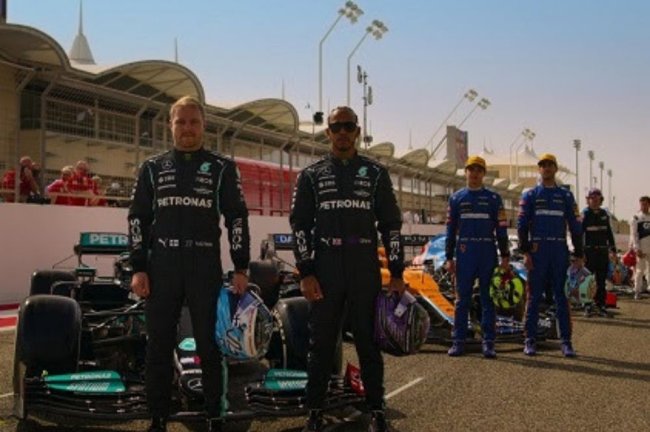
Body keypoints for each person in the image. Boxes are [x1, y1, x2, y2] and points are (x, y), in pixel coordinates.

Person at [128, 95, 250, 432]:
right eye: (180, 122)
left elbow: (236, 218)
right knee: (158, 346)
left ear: (203, 126)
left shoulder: (222, 168)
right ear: (171, 125)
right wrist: (139, 267)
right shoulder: (152, 168)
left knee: (210, 346)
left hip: (203, 266)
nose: (187, 129)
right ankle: (158, 417)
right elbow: (138, 219)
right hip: (161, 266)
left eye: (193, 122)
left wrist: (241, 267)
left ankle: (214, 414)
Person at [290, 106, 404, 432]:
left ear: (357, 130)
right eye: (336, 126)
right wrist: (306, 272)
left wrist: (396, 273)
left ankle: (377, 410)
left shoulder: (376, 173)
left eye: (348, 126)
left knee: (369, 343)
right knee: (321, 343)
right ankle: (314, 410)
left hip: (363, 266)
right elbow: (300, 226)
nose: (342, 132)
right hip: (326, 268)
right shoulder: (311, 175)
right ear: (327, 132)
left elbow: (391, 225)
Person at [517, 153, 583, 357]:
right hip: (538, 253)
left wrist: (579, 254)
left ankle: (566, 342)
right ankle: (529, 340)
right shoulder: (530, 195)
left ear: (555, 169)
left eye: (550, 165)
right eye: (543, 165)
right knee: (534, 297)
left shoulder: (566, 196)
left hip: (559, 251)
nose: (546, 168)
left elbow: (575, 226)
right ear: (539, 169)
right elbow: (521, 226)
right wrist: (526, 251)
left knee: (562, 298)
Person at [445, 155, 510, 358]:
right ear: (466, 172)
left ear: (484, 173)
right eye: (471, 169)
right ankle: (458, 341)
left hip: (487, 252)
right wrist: (449, 257)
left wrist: (505, 256)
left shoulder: (494, 198)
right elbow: (450, 229)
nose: (474, 173)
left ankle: (488, 343)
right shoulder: (456, 198)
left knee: (487, 299)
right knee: (462, 299)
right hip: (465, 253)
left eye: (478, 170)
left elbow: (501, 230)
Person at [581, 188, 617, 314]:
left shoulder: (604, 214)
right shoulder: (584, 214)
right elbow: (579, 235)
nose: (595, 201)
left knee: (601, 280)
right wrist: (581, 253)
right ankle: (587, 304)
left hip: (602, 252)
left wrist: (613, 250)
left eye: (597, 199)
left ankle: (601, 304)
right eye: (592, 199)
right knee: (587, 280)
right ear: (588, 200)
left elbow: (609, 233)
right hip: (589, 252)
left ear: (601, 200)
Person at [630, 195, 650, 300]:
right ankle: (637, 291)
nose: (643, 206)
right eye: (642, 204)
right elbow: (634, 234)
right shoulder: (636, 217)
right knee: (639, 271)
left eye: (645, 204)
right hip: (641, 249)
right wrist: (637, 248)